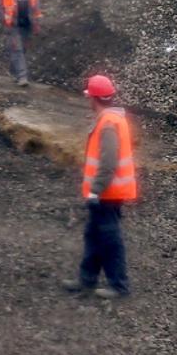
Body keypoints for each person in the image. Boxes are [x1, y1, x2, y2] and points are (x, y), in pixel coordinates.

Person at [65, 74, 137, 299]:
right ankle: (87, 279)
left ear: (93, 98)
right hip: (107, 192)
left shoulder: (107, 124)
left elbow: (108, 163)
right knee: (94, 235)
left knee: (109, 239)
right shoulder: (112, 119)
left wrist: (95, 190)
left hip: (107, 193)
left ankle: (119, 286)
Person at [0, 0, 40, 86]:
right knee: (17, 49)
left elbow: (36, 3)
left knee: (23, 49)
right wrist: (4, 18)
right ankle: (22, 77)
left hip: (27, 22)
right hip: (12, 24)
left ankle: (14, 72)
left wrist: (36, 22)